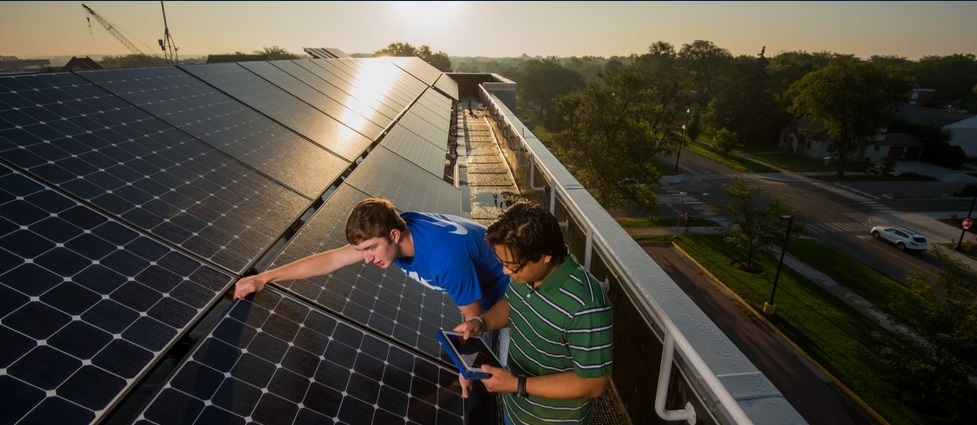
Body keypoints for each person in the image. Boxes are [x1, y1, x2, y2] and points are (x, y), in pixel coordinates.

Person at [453, 200, 614, 424]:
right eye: (501, 261)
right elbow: (510, 305)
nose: (505, 271)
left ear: (546, 254)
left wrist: (518, 384)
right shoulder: (525, 273)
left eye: (512, 266)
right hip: (516, 410)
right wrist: (481, 322)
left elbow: (594, 383)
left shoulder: (587, 306)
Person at [233, 197, 509, 322]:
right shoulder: (395, 229)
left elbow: (475, 323)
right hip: (476, 280)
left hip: (511, 294)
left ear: (393, 234)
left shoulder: (446, 261)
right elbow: (329, 261)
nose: (366, 258)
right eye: (363, 250)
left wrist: (465, 372)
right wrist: (263, 277)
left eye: (371, 249)